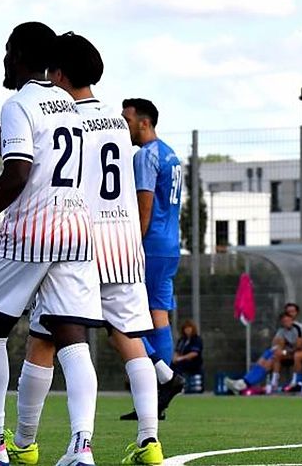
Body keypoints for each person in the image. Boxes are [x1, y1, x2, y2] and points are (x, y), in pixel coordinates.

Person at [0, 32, 163, 465]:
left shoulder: (68, 117)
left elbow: (42, 173)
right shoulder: (116, 122)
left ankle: (27, 443)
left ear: (59, 73)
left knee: (43, 342)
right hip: (123, 241)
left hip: (78, 240)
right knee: (131, 343)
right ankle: (149, 441)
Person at [0, 22, 102, 466]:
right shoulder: (71, 106)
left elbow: (19, 174)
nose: (3, 60)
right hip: (75, 232)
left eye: (6, 51)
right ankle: (81, 448)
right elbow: (42, 162)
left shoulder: (22, 102)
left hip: (32, 231)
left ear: (17, 54)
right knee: (73, 342)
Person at [121, 97, 186, 418]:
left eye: (127, 119)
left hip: (149, 244)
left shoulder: (145, 156)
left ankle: (164, 380)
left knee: (123, 315)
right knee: (158, 316)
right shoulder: (171, 154)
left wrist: (133, 242)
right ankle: (158, 398)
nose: (124, 125)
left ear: (143, 122)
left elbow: (144, 206)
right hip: (170, 244)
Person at [225, 311, 302, 394]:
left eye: (288, 321)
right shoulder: (282, 331)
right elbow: (275, 346)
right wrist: (265, 356)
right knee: (267, 358)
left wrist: (283, 351)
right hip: (284, 353)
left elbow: (299, 347)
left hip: (298, 353)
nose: (287, 323)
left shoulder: (299, 328)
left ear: (292, 319)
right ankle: (243, 382)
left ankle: (244, 383)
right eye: (284, 322)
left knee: (272, 358)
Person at [283, 303, 302, 393]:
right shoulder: (282, 328)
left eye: (293, 311)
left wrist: (286, 352)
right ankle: (297, 383)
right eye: (288, 312)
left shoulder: (299, 327)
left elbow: (300, 345)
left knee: (299, 355)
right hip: (291, 352)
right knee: (272, 355)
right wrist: (283, 352)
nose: (291, 313)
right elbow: (278, 344)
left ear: (297, 313)